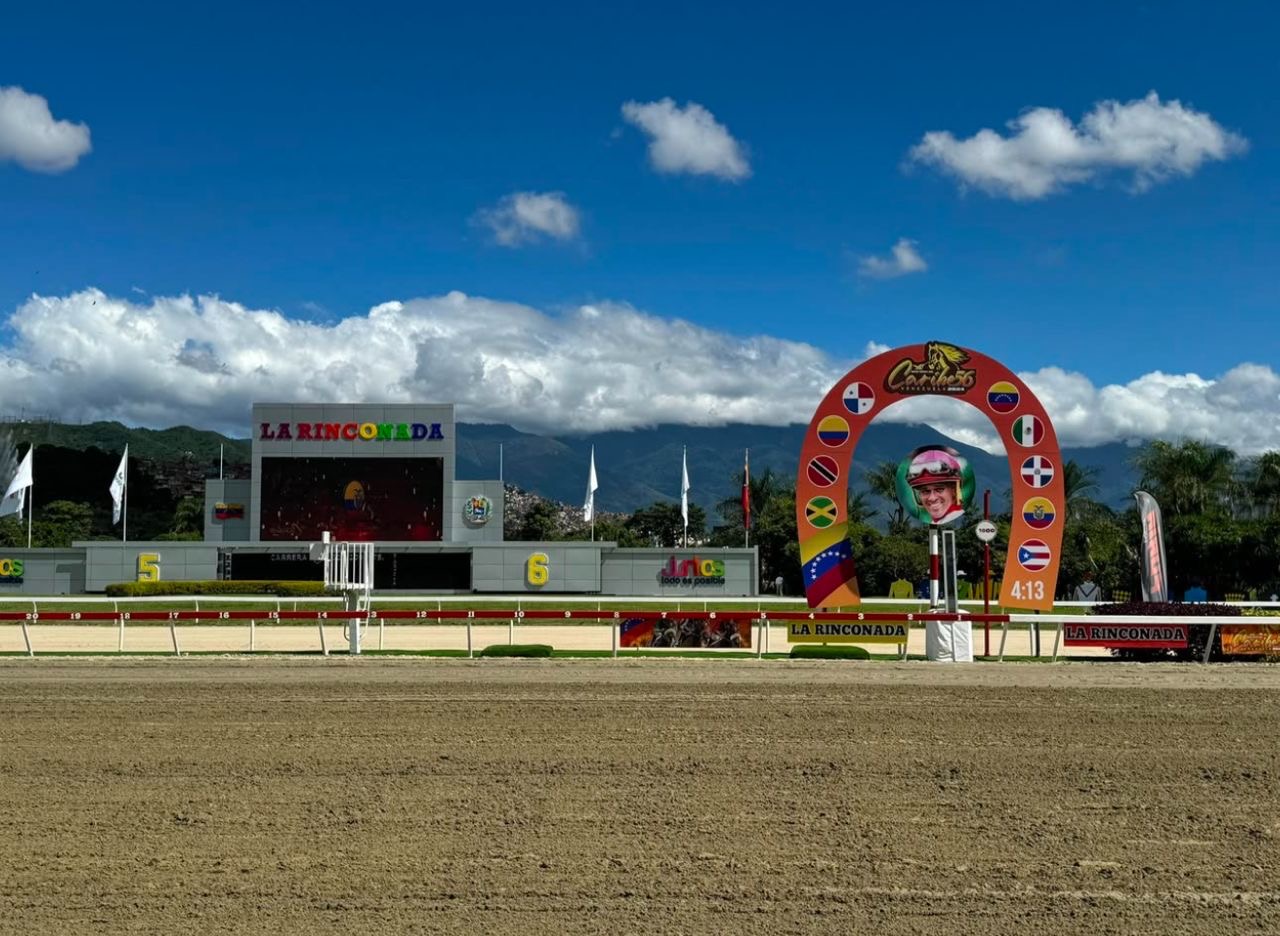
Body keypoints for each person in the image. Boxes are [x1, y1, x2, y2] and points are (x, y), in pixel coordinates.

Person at [907, 449, 965, 525]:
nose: (932, 498)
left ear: (954, 490)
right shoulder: (936, 522)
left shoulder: (960, 521)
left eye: (939, 489)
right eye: (925, 491)